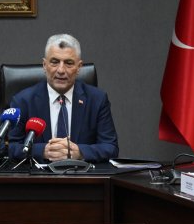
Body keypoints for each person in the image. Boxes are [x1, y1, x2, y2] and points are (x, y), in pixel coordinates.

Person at [8, 34, 118, 162]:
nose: (61, 70)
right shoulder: (23, 101)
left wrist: (80, 152)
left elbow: (111, 148)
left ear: (79, 68)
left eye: (69, 63)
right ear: (44, 65)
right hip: (39, 179)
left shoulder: (97, 100)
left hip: (82, 178)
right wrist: (42, 151)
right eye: (54, 62)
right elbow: (9, 148)